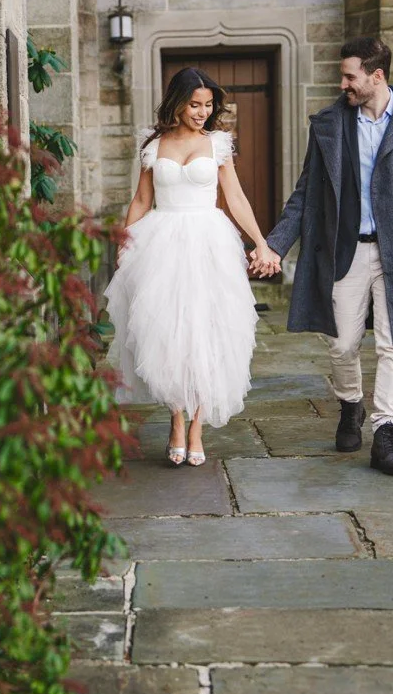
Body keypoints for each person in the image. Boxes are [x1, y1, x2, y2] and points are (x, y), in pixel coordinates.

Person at [262, 37, 393, 476]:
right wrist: (275, 244)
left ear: (376, 75)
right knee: (341, 344)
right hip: (345, 250)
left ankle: (386, 433)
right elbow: (305, 194)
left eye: (350, 75)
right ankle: (351, 405)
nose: (342, 83)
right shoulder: (330, 123)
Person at [104, 67, 283, 466]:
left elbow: (235, 198)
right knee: (167, 332)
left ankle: (198, 426)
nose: (202, 112)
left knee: (208, 330)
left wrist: (261, 242)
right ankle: (176, 419)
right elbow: (140, 199)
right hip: (160, 243)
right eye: (194, 104)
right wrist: (125, 240)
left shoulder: (218, 144)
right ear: (177, 102)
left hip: (209, 242)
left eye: (207, 105)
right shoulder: (153, 146)